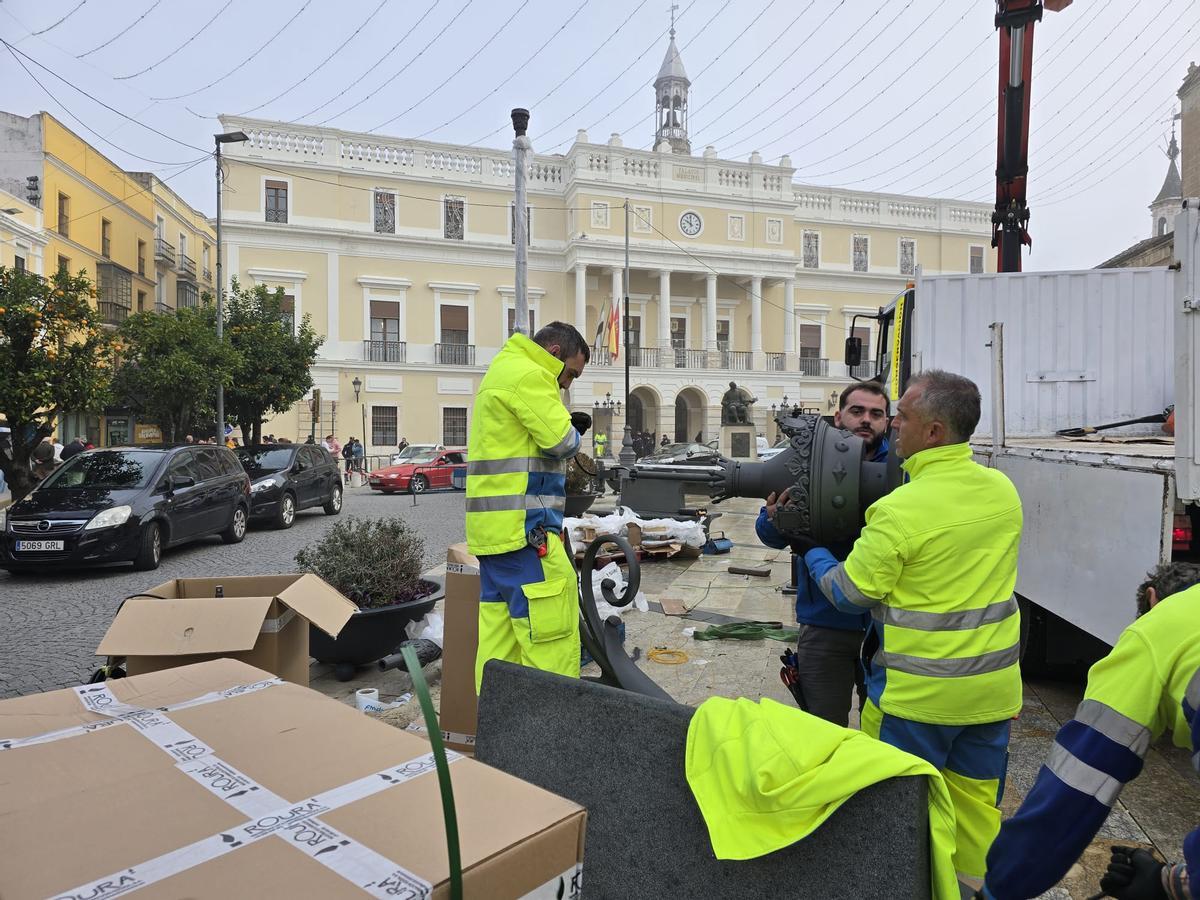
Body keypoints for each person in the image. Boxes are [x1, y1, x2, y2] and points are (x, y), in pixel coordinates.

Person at [796, 370, 1023, 888]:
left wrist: (814, 552)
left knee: (893, 817)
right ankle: (969, 891)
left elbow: (851, 593)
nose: (894, 424)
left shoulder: (899, 510)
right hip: (990, 696)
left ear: (934, 432)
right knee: (975, 816)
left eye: (903, 416)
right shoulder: (1002, 491)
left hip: (915, 700)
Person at [979, 562, 1200, 900]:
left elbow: (1075, 787)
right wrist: (1174, 883)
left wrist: (999, 888)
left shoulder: (1157, 628)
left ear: (1152, 599)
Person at [756, 381, 890, 727]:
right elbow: (767, 535)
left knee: (883, 730)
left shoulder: (898, 466)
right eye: (857, 411)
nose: (866, 420)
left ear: (887, 422)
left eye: (876, 414)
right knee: (822, 728)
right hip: (824, 624)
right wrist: (776, 519)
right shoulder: (807, 458)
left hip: (885, 627)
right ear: (838, 416)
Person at [467, 321, 591, 690]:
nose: (567, 385)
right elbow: (562, 442)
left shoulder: (501, 371)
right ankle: (550, 723)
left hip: (493, 536)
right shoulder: (531, 375)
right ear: (554, 353)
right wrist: (574, 429)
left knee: (499, 646)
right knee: (549, 639)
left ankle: (494, 719)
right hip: (526, 533)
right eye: (570, 374)